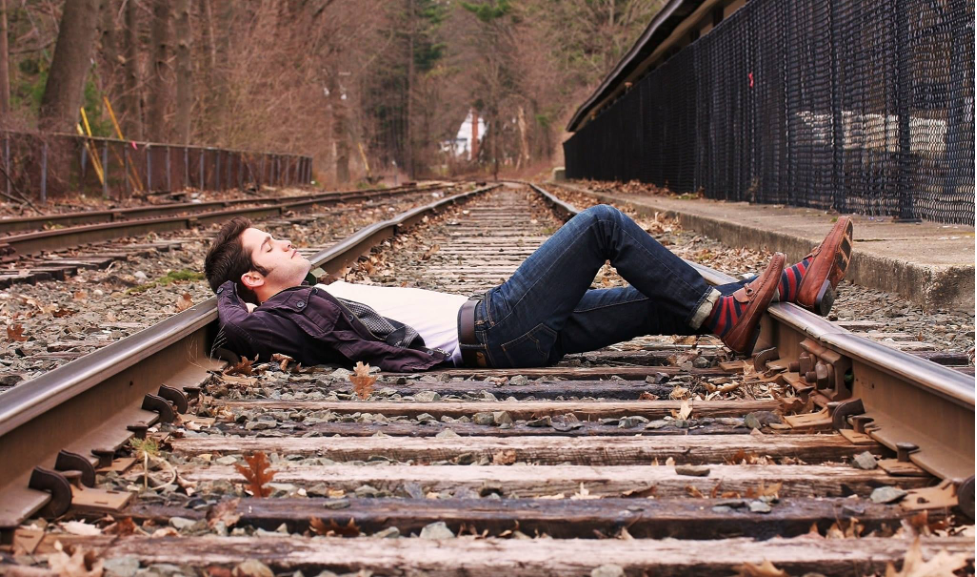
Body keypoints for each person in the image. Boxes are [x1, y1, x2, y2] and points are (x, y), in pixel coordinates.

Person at [204, 204, 853, 371]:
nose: (286, 242)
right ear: (254, 279)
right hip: (494, 325)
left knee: (654, 305)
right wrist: (228, 292)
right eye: (270, 247)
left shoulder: (308, 297)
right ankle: (724, 313)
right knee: (601, 226)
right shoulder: (277, 314)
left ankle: (796, 286)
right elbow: (235, 324)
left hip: (503, 333)